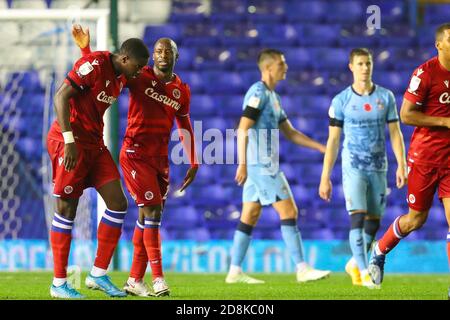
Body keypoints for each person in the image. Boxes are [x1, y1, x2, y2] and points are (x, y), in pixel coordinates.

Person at [72, 25, 198, 297]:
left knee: (149, 218)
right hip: (134, 153)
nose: (162, 54)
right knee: (151, 211)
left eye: (167, 50)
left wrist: (194, 160)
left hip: (160, 158)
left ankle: (134, 280)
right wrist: (86, 51)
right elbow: (106, 72)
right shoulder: (138, 76)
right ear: (152, 56)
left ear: (176, 55)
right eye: (157, 51)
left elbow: (184, 124)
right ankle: (159, 278)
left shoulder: (181, 91)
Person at [47, 32, 150, 298]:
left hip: (94, 144)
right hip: (68, 141)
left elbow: (97, 81)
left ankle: (98, 274)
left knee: (117, 203)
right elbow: (60, 97)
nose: (138, 73)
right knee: (67, 208)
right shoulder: (95, 64)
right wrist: (69, 141)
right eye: (137, 67)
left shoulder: (121, 73)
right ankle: (58, 284)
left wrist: (86, 50)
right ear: (125, 58)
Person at [225, 49, 331, 284]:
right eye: (282, 64)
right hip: (261, 166)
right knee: (289, 211)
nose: (286, 67)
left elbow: (290, 133)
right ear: (269, 68)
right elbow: (242, 128)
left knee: (249, 215)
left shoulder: (273, 97)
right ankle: (302, 268)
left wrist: (320, 147)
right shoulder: (258, 92)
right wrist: (242, 164)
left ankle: (234, 271)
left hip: (260, 166)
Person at [368, 23, 450, 294]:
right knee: (416, 219)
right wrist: (444, 122)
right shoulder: (425, 73)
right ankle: (380, 248)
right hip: (425, 157)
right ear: (439, 44)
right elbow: (406, 115)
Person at [318, 48, 407, 289]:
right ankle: (365, 271)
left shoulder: (386, 97)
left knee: (373, 223)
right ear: (351, 67)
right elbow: (333, 140)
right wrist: (325, 176)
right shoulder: (341, 101)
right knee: (356, 218)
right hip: (353, 166)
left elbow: (395, 133)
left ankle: (353, 264)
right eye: (360, 64)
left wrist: (402, 163)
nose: (365, 68)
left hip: (378, 166)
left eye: (368, 63)